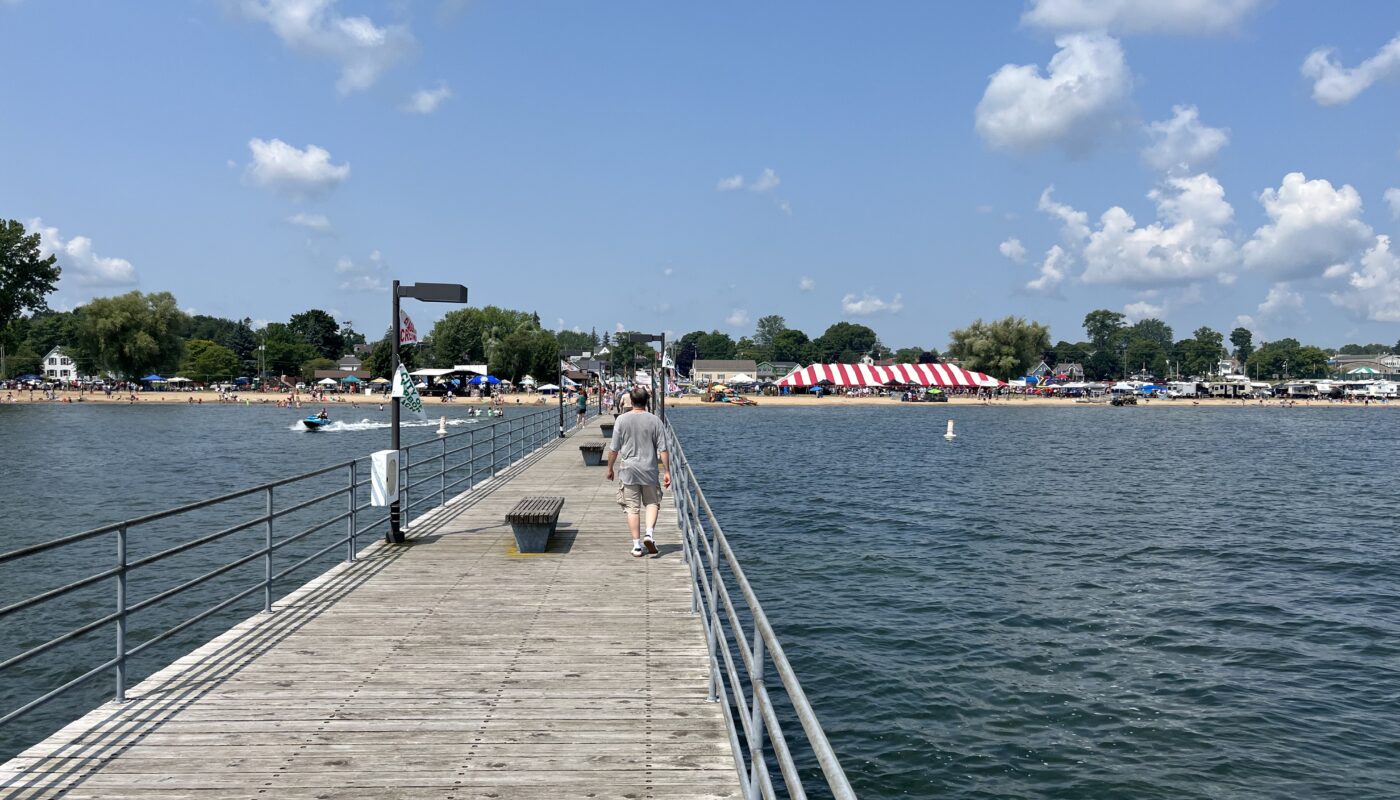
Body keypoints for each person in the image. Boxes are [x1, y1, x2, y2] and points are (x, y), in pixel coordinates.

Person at [606, 386, 670, 558]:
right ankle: (649, 534)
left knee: (632, 508)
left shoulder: (621, 420)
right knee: (652, 503)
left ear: (631, 401)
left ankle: (636, 546)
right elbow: (663, 449)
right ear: (647, 401)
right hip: (649, 468)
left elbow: (614, 449)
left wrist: (610, 468)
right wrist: (667, 471)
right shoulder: (655, 420)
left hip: (628, 470)